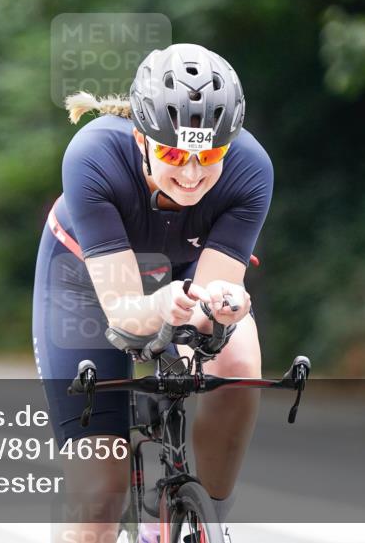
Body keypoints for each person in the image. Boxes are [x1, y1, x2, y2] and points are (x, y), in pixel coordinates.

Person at [32, 43, 273, 543]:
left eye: (209, 156)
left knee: (239, 365)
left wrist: (226, 310)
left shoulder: (252, 169)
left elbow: (208, 305)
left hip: (186, 273)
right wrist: (163, 304)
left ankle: (203, 527)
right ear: (141, 138)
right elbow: (123, 315)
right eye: (172, 154)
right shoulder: (94, 155)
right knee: (99, 496)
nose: (191, 174)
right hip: (86, 282)